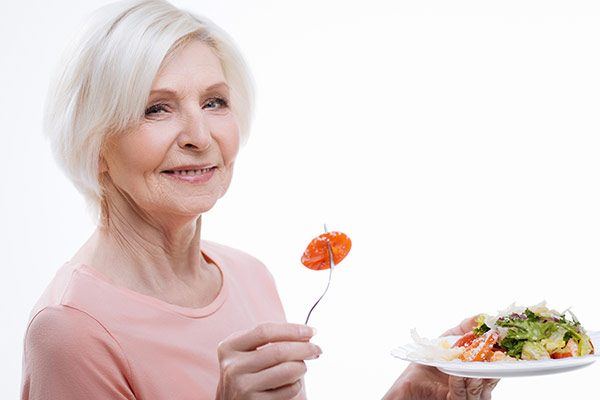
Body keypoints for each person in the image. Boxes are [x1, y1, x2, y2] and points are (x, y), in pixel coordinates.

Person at [20, 1, 499, 399]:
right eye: (156, 108)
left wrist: (408, 397)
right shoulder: (70, 330)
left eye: (214, 102)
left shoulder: (249, 276)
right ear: (95, 143)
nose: (200, 135)